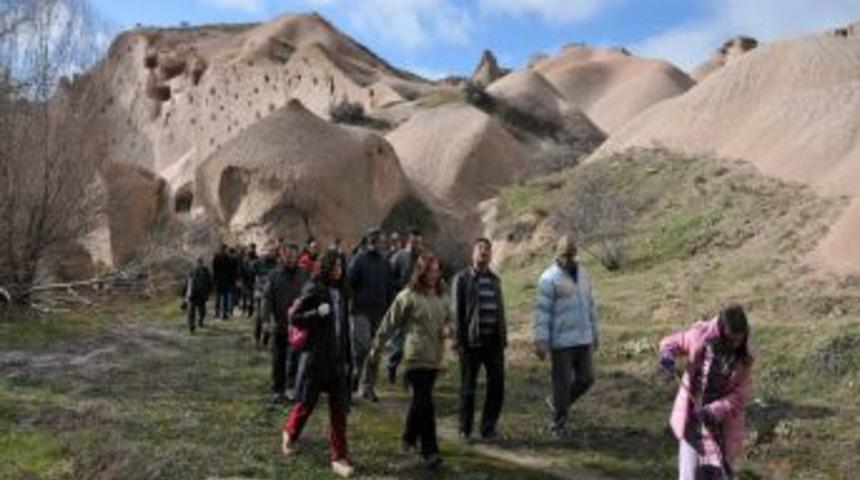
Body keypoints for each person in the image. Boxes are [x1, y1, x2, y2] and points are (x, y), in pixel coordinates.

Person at [366, 253, 450, 470]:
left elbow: (449, 318)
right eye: (430, 271)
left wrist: (449, 329)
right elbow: (389, 322)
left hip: (435, 357)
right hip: (415, 357)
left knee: (421, 401)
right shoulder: (408, 295)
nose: (434, 275)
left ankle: (408, 438)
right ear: (421, 272)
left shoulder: (442, 295)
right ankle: (430, 452)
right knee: (426, 404)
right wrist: (377, 347)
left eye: (437, 270)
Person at [659, 304, 754, 480]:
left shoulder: (744, 357)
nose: (736, 344)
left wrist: (713, 411)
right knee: (689, 474)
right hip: (692, 421)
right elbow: (669, 343)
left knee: (719, 474)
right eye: (732, 340)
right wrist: (667, 355)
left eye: (740, 340)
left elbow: (739, 395)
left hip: (721, 424)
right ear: (721, 332)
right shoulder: (698, 337)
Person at [282, 251, 354, 478]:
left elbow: (344, 329)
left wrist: (348, 359)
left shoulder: (342, 292)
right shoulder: (314, 289)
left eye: (340, 266)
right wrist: (316, 313)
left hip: (337, 360)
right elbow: (294, 318)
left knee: (339, 411)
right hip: (316, 359)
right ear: (325, 267)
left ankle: (339, 457)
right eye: (334, 266)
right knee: (306, 404)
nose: (338, 270)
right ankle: (290, 433)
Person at [533, 235, 599, 437]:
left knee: (587, 379)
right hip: (561, 342)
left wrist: (595, 333)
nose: (569, 259)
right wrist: (541, 341)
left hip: (583, 338)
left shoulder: (584, 273)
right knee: (561, 385)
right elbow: (542, 312)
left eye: (572, 255)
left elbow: (590, 305)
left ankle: (556, 402)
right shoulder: (548, 278)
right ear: (558, 255)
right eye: (565, 255)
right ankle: (557, 425)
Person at [451, 238, 507, 440]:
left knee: (497, 385)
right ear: (473, 253)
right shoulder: (462, 278)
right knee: (468, 387)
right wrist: (457, 341)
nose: (484, 252)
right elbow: (456, 312)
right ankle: (464, 429)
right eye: (480, 249)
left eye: (487, 250)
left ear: (491, 255)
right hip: (471, 342)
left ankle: (488, 427)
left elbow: (500, 310)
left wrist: (503, 337)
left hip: (494, 342)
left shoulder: (495, 280)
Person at [347, 229, 394, 401]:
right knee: (362, 348)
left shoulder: (385, 263)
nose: (381, 244)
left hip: (380, 312)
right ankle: (355, 372)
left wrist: (390, 308)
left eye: (382, 241)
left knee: (376, 351)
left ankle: (368, 387)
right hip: (360, 311)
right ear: (370, 241)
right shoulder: (358, 260)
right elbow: (349, 284)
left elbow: (389, 287)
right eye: (378, 240)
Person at [262, 242, 308, 404]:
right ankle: (277, 389)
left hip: (298, 324)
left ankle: (291, 387)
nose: (290, 258)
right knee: (278, 357)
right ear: (282, 256)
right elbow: (267, 298)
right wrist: (266, 320)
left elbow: (310, 296)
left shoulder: (304, 274)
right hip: (280, 322)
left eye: (293, 255)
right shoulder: (274, 275)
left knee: (295, 357)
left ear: (297, 256)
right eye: (287, 255)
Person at [386, 229, 424, 383]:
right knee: (399, 340)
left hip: (418, 304)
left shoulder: (422, 259)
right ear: (409, 241)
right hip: (401, 302)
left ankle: (410, 374)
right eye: (414, 242)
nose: (417, 245)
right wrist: (401, 288)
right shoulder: (399, 257)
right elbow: (389, 279)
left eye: (419, 242)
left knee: (415, 340)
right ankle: (392, 365)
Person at [252, 242, 279, 348]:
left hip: (272, 295)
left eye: (273, 251)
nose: (271, 253)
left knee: (270, 318)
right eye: (269, 250)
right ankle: (257, 339)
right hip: (260, 294)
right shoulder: (259, 262)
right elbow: (249, 269)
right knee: (259, 317)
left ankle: (266, 340)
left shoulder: (277, 264)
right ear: (266, 251)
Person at [184, 257, 212, 334]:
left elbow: (209, 282)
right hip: (193, 294)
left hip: (201, 294)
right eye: (197, 262)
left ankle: (200, 320)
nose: (199, 264)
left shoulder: (206, 271)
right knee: (191, 311)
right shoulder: (191, 271)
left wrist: (209, 291)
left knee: (202, 311)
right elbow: (187, 283)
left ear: (202, 263)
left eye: (200, 263)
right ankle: (191, 326)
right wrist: (185, 294)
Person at [212, 244, 234, 320]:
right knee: (223, 298)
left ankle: (218, 313)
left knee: (220, 297)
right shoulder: (227, 258)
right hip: (224, 280)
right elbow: (231, 271)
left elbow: (214, 270)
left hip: (220, 280)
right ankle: (223, 313)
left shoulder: (218, 257)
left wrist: (214, 281)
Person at [241, 243, 258, 318]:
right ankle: (245, 310)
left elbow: (258, 269)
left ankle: (249, 311)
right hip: (246, 279)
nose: (252, 249)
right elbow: (242, 269)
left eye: (253, 248)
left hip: (252, 280)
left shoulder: (256, 258)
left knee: (251, 297)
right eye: (251, 248)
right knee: (245, 296)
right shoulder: (246, 258)